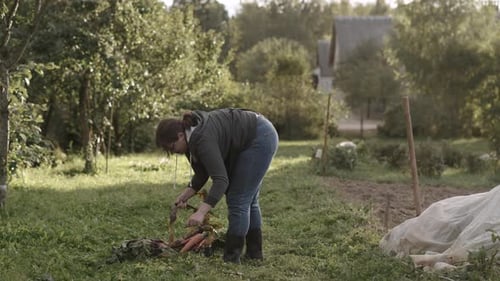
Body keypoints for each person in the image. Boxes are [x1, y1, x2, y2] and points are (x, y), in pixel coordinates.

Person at [155, 108, 279, 263]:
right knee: (248, 199)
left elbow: (221, 180)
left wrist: (200, 213)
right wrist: (185, 195)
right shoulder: (190, 140)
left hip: (259, 137)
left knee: (238, 199)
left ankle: (231, 259)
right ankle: (255, 255)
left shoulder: (202, 139)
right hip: (254, 134)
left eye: (172, 147)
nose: (173, 153)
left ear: (180, 136)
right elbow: (202, 174)